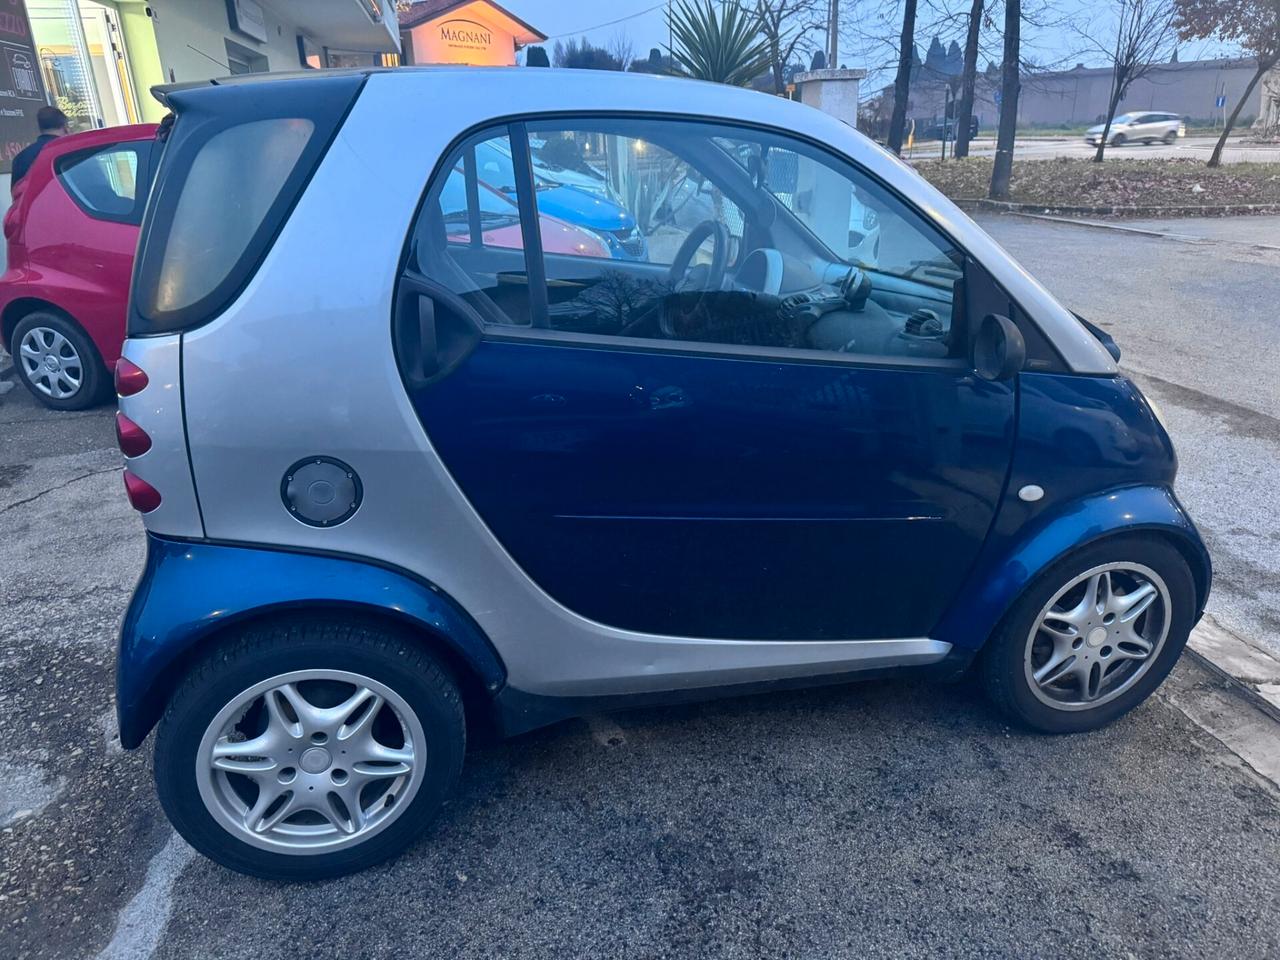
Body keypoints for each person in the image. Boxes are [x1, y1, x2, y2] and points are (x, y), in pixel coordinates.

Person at [11, 106, 70, 190]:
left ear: (40, 128)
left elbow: (16, 195)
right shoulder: (69, 152)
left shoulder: (20, 158)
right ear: (65, 127)